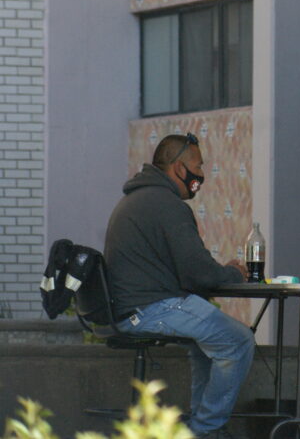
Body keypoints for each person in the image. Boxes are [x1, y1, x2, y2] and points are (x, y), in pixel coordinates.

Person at [104, 133, 255, 439]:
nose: (202, 175)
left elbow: (188, 269)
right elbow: (199, 273)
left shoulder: (139, 199)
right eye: (198, 166)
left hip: (136, 307)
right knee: (238, 340)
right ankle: (206, 430)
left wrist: (216, 273)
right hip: (150, 307)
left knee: (208, 344)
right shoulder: (166, 204)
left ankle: (201, 425)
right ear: (177, 167)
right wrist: (234, 273)